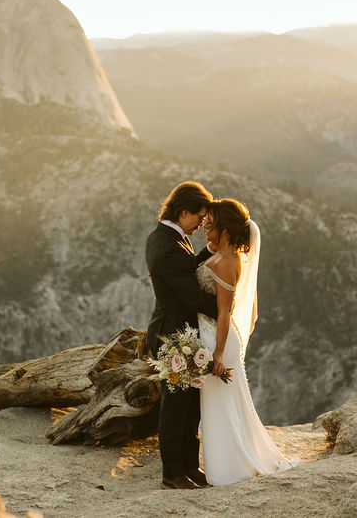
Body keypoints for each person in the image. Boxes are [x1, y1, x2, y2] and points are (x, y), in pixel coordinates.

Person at [196, 198, 299, 485]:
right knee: (219, 405)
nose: (206, 229)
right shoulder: (221, 257)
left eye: (212, 225)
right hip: (210, 336)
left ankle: (233, 468)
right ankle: (227, 465)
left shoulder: (229, 262)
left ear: (226, 230)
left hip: (220, 340)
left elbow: (224, 312)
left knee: (223, 405)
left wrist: (217, 353)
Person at [144, 181, 218, 490]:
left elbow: (187, 267)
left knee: (191, 407)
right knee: (175, 409)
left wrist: (208, 252)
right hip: (173, 338)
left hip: (183, 334)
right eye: (199, 217)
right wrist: (228, 309)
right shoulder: (169, 246)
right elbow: (192, 297)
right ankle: (172, 474)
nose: (202, 223)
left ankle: (190, 465)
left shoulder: (169, 238)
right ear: (183, 211)